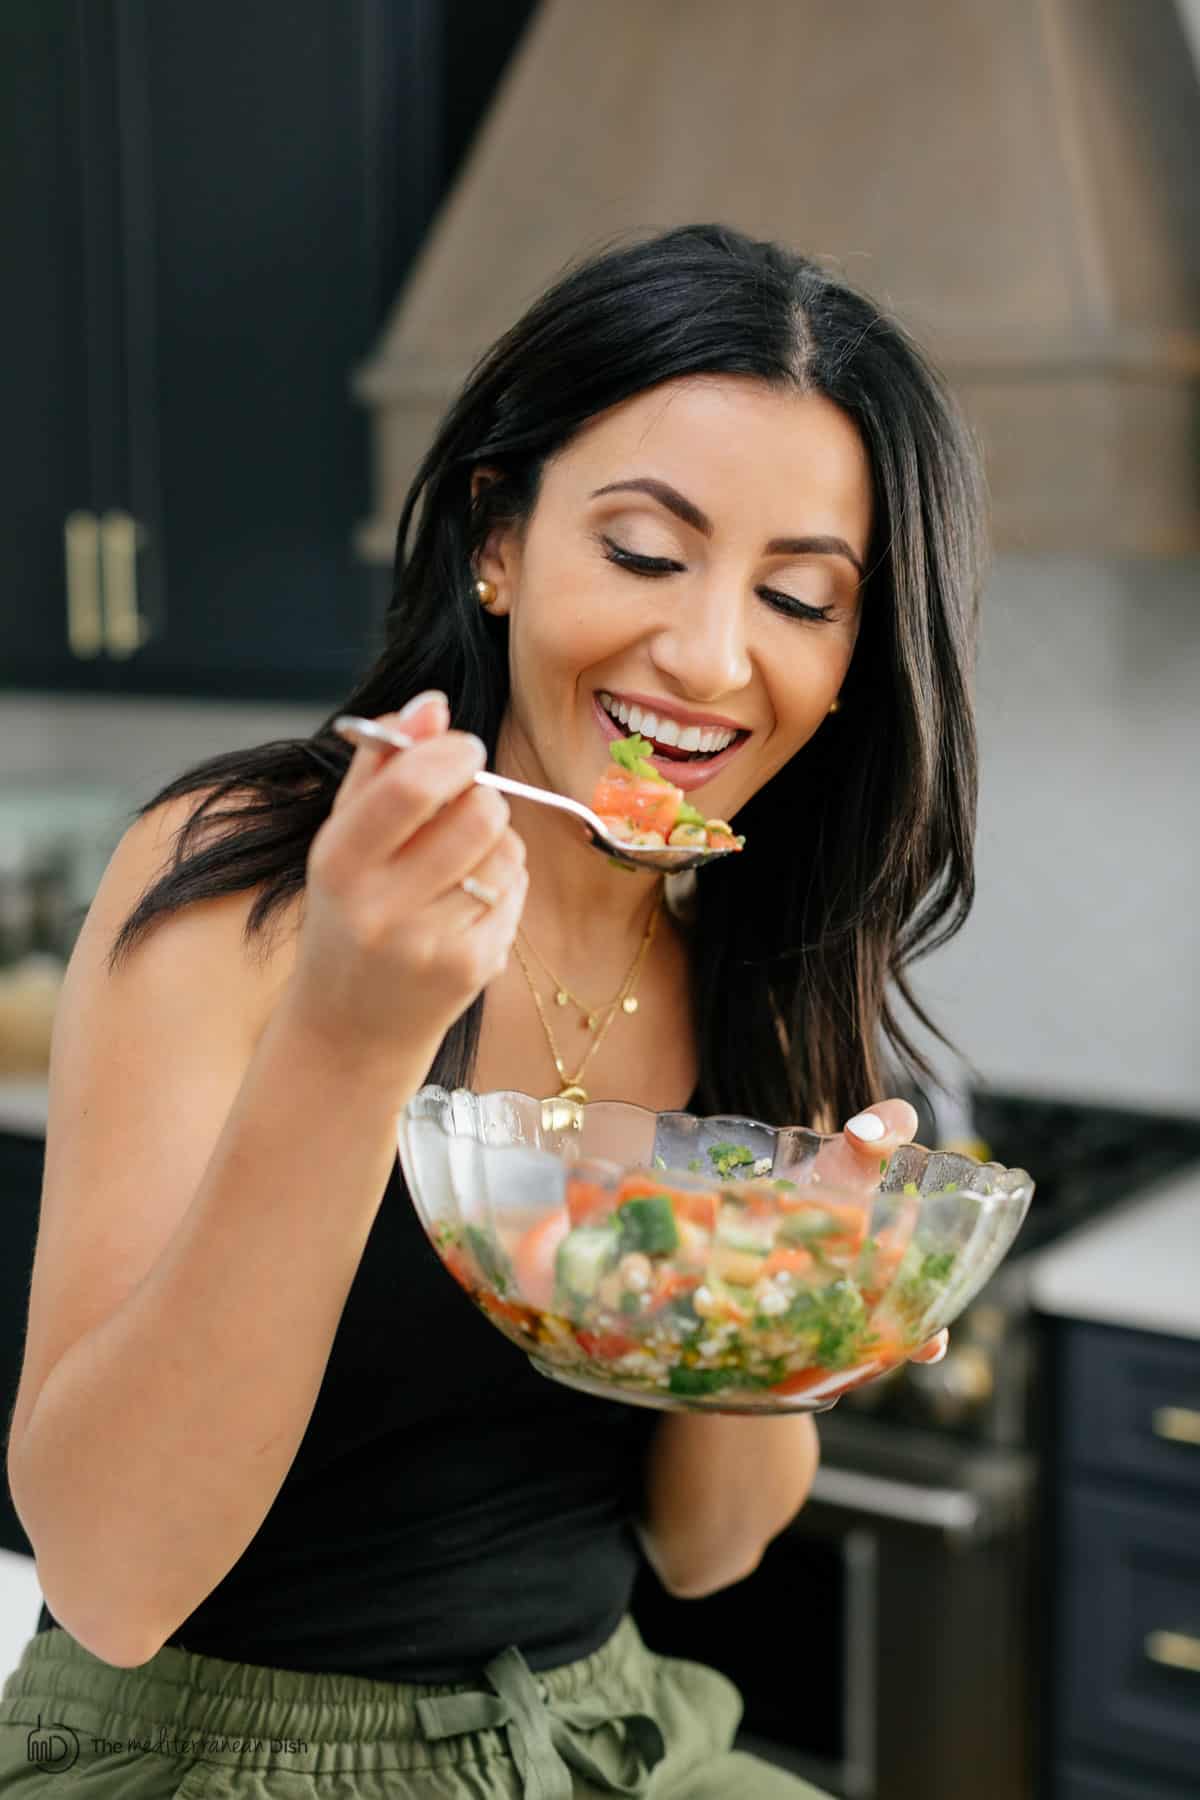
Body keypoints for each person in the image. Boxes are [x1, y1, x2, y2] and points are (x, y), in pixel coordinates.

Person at [0, 222, 984, 1798]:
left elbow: (709, 1551)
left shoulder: (763, 956)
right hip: (202, 1749)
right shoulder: (248, 875)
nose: (711, 654)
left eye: (801, 598)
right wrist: (351, 1030)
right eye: (648, 555)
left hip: (611, 1734)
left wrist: (789, 1315)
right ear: (498, 537)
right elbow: (111, 1577)